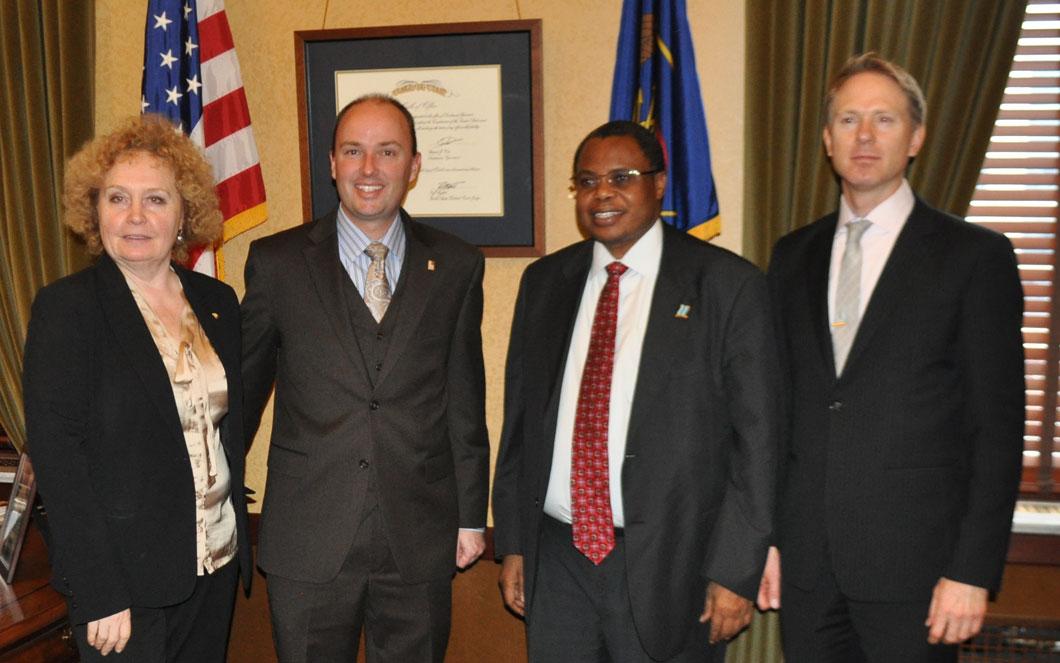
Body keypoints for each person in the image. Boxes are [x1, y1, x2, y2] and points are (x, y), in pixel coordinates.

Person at [760, 53, 1025, 662]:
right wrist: (767, 541)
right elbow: (778, 412)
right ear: (827, 139)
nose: (866, 135)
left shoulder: (973, 257)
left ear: (917, 138)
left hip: (920, 576)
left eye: (885, 118)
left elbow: (996, 430)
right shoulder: (792, 255)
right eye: (849, 119)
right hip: (806, 571)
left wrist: (973, 571)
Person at [491, 120, 779, 662]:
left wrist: (736, 572)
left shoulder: (726, 286)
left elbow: (757, 445)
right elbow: (521, 424)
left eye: (621, 177)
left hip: (673, 565)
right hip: (557, 558)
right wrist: (513, 543)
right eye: (587, 180)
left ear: (660, 183)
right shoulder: (545, 283)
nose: (602, 194)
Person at [241, 94, 489, 662]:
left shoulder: (455, 265)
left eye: (388, 151)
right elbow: (244, 396)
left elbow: (463, 400)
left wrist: (472, 516)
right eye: (353, 151)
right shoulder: (276, 264)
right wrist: (221, 504)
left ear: (415, 165)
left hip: (420, 537)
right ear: (332, 163)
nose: (369, 169)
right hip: (306, 538)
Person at [22, 114, 253, 661]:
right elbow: (61, 463)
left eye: (156, 200)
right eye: (117, 198)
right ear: (93, 210)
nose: (134, 217)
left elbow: (223, 431)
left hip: (214, 564)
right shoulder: (68, 310)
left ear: (183, 215)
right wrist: (99, 591)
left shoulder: (217, 301)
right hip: (124, 588)